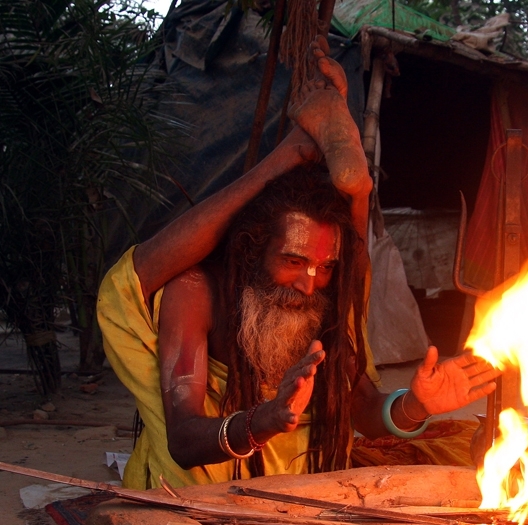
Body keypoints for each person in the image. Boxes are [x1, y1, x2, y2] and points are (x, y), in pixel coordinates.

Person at [97, 42, 497, 490]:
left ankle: (351, 179)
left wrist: (417, 405)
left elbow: (364, 408)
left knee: (351, 276)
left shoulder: (326, 297)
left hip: (307, 492)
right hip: (204, 495)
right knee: (125, 285)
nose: (309, 283)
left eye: (324, 266)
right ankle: (297, 151)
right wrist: (263, 421)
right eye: (293, 261)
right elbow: (185, 440)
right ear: (253, 252)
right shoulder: (196, 292)